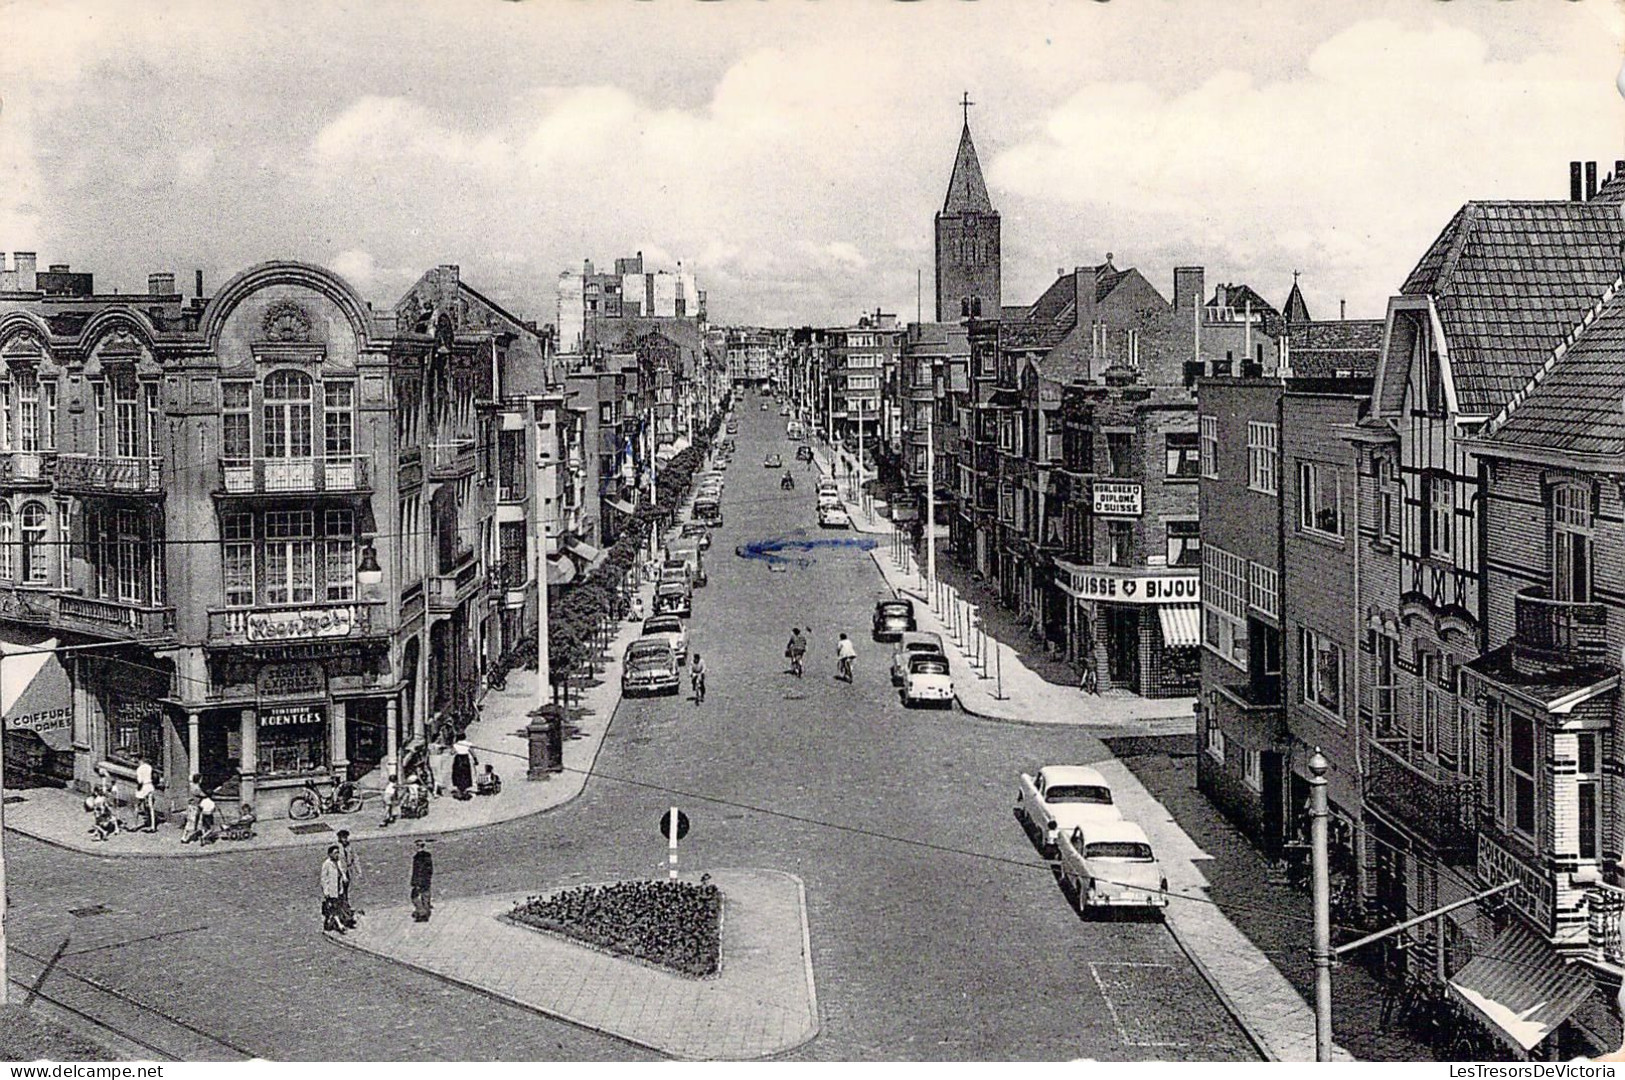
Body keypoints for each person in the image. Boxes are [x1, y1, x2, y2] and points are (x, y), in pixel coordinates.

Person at [321, 845, 348, 933]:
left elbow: (342, 871)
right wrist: (326, 891)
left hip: (339, 889)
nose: (337, 855)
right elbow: (324, 879)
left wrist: (344, 877)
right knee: (334, 907)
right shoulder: (326, 864)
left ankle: (332, 922)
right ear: (330, 854)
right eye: (335, 853)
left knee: (337, 906)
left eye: (338, 852)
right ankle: (340, 925)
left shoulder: (338, 862)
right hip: (331, 890)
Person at [336, 829, 361, 924]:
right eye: (342, 838)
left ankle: (346, 906)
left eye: (346, 837)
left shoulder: (350, 847)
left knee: (346, 890)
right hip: (340, 873)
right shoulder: (337, 848)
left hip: (348, 871)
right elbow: (337, 862)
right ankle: (343, 911)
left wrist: (358, 871)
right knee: (340, 891)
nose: (345, 839)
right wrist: (342, 875)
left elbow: (355, 858)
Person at [410, 840, 434, 923]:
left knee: (414, 897)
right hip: (426, 880)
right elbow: (430, 870)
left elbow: (417, 871)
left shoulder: (418, 857)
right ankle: (426, 913)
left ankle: (422, 913)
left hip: (420, 880)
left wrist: (415, 882)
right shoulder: (428, 856)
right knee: (426, 897)